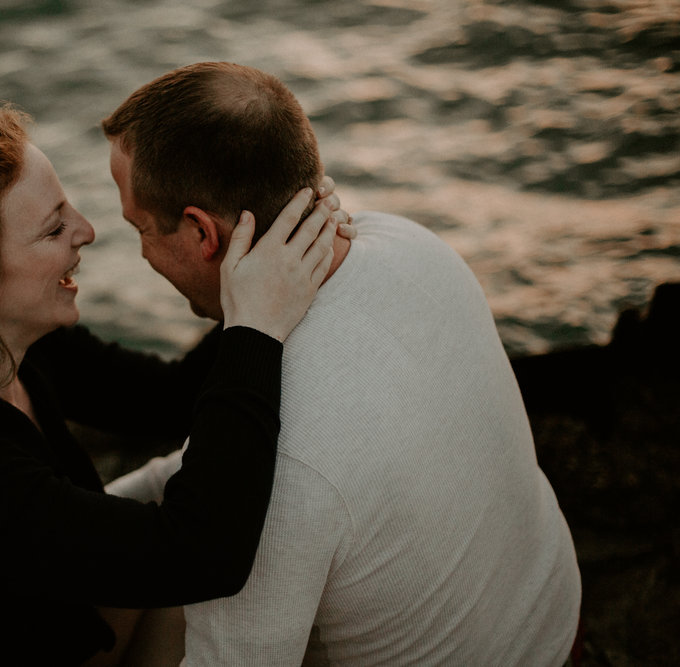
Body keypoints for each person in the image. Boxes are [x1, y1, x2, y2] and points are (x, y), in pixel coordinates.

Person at [0, 100, 347, 665]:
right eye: (54, 227)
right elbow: (205, 554)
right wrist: (255, 329)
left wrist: (262, 255)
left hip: (70, 624)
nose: (86, 231)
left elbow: (171, 399)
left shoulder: (19, 347)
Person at [102, 62, 582, 666]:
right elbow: (210, 467)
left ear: (203, 233)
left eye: (139, 228)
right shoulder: (409, 242)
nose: (137, 248)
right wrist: (100, 507)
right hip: (554, 625)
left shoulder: (268, 462)